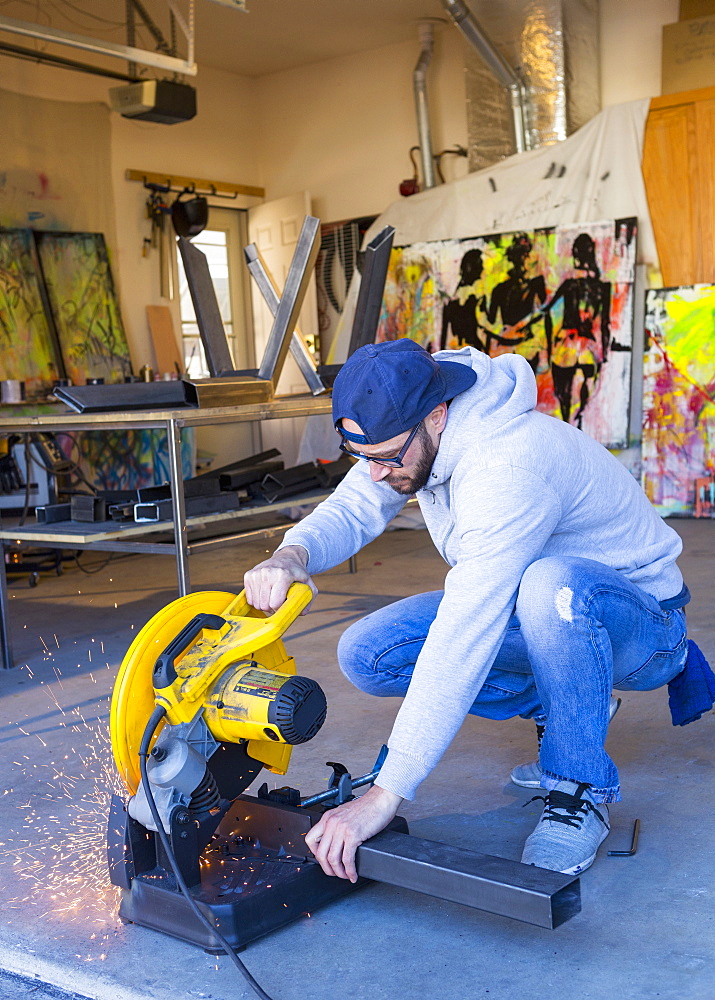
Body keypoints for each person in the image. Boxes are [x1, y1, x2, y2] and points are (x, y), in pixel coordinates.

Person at [244, 338, 708, 885]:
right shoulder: (410, 432)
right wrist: (292, 553)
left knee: (548, 584)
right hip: (542, 608)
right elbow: (356, 504)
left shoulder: (505, 467)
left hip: (643, 625)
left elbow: (465, 634)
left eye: (387, 458)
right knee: (369, 654)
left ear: (436, 417)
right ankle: (568, 713)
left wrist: (384, 794)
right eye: (361, 457)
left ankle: (579, 785)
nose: (375, 474)